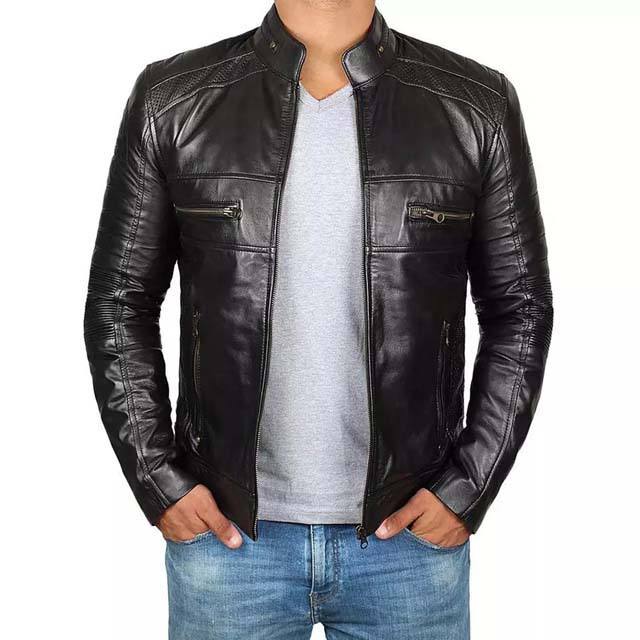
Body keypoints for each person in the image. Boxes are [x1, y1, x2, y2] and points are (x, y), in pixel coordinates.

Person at [84, 1, 553, 638]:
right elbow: (118, 304)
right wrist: (159, 480)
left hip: (409, 543)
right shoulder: (174, 100)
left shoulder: (475, 105)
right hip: (227, 538)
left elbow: (521, 310)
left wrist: (467, 487)